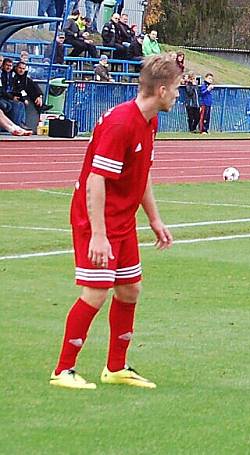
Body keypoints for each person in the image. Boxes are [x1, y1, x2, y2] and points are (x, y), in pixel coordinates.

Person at [49, 54, 182, 390]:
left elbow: (142, 174)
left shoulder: (149, 121)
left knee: (130, 289)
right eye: (177, 88)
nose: (179, 95)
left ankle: (116, 367)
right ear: (162, 89)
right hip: (97, 218)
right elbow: (96, 180)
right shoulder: (122, 123)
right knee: (96, 292)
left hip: (121, 220)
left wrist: (154, 219)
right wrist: (97, 234)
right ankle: (63, 370)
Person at [0, 57, 26, 127]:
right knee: (11, 105)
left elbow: (16, 88)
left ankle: (21, 123)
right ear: (3, 65)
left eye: (10, 65)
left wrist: (22, 98)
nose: (9, 67)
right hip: (3, 97)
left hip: (9, 96)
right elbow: (2, 90)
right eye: (7, 65)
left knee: (21, 104)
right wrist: (12, 97)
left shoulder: (12, 75)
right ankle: (15, 125)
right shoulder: (1, 74)